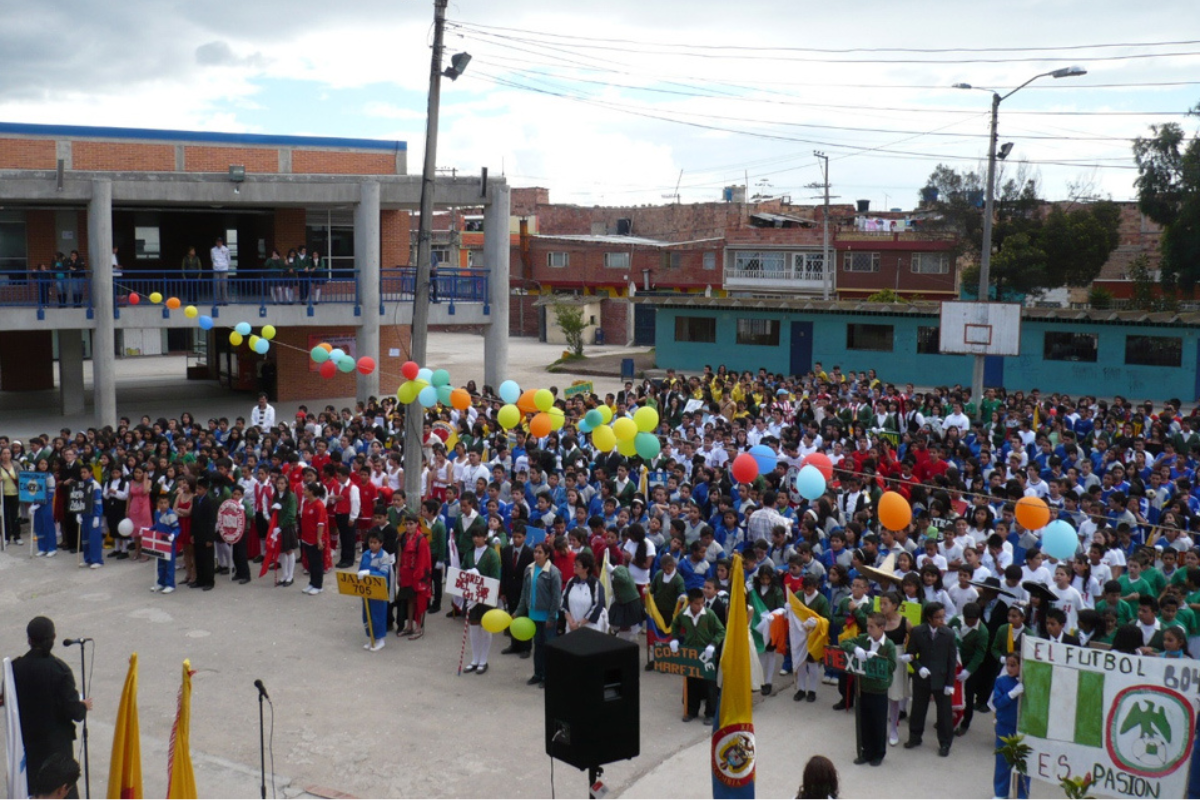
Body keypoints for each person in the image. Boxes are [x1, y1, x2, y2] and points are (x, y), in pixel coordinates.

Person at [10, 617, 92, 797]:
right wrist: (83, 705)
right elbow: (75, 712)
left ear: (29, 640)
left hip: (29, 748)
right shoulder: (59, 670)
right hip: (57, 750)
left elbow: (6, 699)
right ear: (53, 637)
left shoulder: (15, 668)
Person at [841, 611, 896, 766]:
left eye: (871, 626)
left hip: (879, 690)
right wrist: (856, 649)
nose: (869, 629)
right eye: (868, 625)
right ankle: (866, 751)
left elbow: (891, 667)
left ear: (882, 627)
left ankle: (879, 753)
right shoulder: (864, 639)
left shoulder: (888, 646)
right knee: (864, 722)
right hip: (863, 688)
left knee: (878, 722)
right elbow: (844, 643)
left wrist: (876, 660)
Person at [905, 601, 958, 757]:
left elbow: (952, 660)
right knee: (918, 709)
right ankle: (915, 737)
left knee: (944, 713)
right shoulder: (917, 632)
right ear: (929, 618)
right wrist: (918, 667)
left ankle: (945, 742)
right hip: (923, 677)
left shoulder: (948, 634)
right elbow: (911, 654)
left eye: (943, 616)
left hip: (941, 678)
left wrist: (950, 683)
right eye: (937, 617)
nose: (941, 620)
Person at [671, 586, 725, 724]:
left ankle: (710, 713)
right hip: (691, 654)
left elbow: (721, 631)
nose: (700, 606)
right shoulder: (683, 614)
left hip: (706, 654)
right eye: (697, 603)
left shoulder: (709, 614)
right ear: (690, 602)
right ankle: (691, 711)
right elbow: (675, 625)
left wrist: (713, 644)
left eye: (702, 603)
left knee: (709, 685)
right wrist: (675, 638)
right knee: (691, 683)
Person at [514, 541, 563, 687]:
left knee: (548, 646)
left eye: (540, 552)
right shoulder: (529, 569)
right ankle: (538, 673)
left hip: (547, 616)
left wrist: (551, 616)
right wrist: (518, 611)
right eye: (535, 551)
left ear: (547, 555)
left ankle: (548, 676)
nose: (536, 554)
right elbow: (524, 592)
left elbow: (556, 597)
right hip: (533, 614)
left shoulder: (553, 572)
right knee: (538, 645)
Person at [990, 653, 1030, 799]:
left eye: (1013, 665)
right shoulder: (1000, 681)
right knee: (1002, 760)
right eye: (1007, 664)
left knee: (1023, 763)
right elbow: (997, 703)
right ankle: (1001, 793)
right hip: (1005, 727)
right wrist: (1012, 694)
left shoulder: (1028, 683)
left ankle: (1022, 795)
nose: (1009, 668)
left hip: (1023, 729)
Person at [463, 525, 501, 674]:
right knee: (473, 626)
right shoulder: (469, 553)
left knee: (485, 627)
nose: (476, 539)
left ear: (485, 537)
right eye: (474, 536)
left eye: (479, 536)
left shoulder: (491, 554)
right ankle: (474, 658)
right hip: (472, 596)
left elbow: (496, 577)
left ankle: (483, 660)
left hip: (486, 596)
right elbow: (463, 568)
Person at [500, 524, 535, 657]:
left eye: (519, 537)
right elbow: (504, 572)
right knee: (512, 616)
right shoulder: (507, 550)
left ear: (525, 538)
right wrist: (503, 591)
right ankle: (514, 644)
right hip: (510, 588)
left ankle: (526, 647)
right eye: (514, 537)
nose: (516, 540)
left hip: (523, 590)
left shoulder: (530, 553)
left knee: (524, 618)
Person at [359, 529, 395, 651]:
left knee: (378, 614)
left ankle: (380, 639)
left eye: (375, 542)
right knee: (366, 614)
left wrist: (370, 573)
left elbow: (383, 574)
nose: (372, 545)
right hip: (366, 590)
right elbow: (360, 570)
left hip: (379, 590)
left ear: (381, 543)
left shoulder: (384, 556)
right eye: (370, 542)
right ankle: (371, 637)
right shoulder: (365, 554)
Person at [397, 513, 433, 637]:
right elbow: (400, 556)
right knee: (409, 600)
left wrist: (419, 577)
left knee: (419, 600)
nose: (408, 526)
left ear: (417, 524)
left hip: (418, 574)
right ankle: (409, 626)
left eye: (411, 524)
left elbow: (424, 560)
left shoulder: (421, 539)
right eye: (406, 524)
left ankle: (419, 627)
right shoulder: (403, 537)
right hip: (406, 574)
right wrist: (399, 574)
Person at [563, 550, 607, 633]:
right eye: (574, 564)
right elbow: (564, 602)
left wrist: (579, 624)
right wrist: (570, 621)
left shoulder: (595, 584)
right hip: (571, 626)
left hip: (590, 628)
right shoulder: (571, 582)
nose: (574, 566)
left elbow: (597, 606)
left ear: (586, 568)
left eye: (577, 565)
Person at [299, 481, 329, 595]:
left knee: (317, 563)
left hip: (315, 539)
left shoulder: (319, 505)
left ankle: (318, 585)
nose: (303, 491)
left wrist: (319, 539)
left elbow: (320, 524)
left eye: (305, 490)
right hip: (306, 537)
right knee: (310, 562)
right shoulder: (306, 502)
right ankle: (312, 583)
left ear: (311, 492)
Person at [149, 493, 179, 594]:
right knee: (160, 563)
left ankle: (170, 584)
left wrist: (173, 535)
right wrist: (149, 530)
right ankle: (161, 582)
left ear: (168, 503)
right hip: (159, 541)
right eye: (161, 503)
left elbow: (177, 528)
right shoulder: (157, 513)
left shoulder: (171, 514)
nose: (163, 505)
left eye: (165, 502)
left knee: (169, 564)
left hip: (169, 543)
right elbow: (157, 525)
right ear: (158, 503)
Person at [190, 476, 217, 590]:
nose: (197, 491)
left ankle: (209, 581)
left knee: (207, 559)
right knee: (199, 558)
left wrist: (210, 539)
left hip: (206, 535)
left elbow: (212, 521)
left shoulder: (210, 501)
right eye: (197, 488)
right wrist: (192, 534)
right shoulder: (195, 500)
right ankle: (200, 580)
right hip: (197, 534)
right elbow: (193, 518)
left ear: (206, 489)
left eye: (200, 489)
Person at [77, 464, 103, 569]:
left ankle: (97, 560)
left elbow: (98, 502)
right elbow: (78, 500)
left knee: (94, 538)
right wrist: (78, 513)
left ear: (90, 473)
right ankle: (87, 559)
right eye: (81, 472)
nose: (83, 474)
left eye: (85, 472)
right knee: (85, 539)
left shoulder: (95, 485)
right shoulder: (80, 484)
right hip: (84, 514)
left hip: (93, 515)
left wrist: (97, 516)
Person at [211, 236, 231, 304]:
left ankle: (225, 300)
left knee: (224, 285)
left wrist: (227, 269)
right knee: (217, 285)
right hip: (216, 269)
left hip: (224, 269)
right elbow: (212, 259)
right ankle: (218, 300)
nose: (219, 243)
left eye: (220, 242)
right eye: (217, 242)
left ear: (222, 242)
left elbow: (228, 259)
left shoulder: (226, 249)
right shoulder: (213, 250)